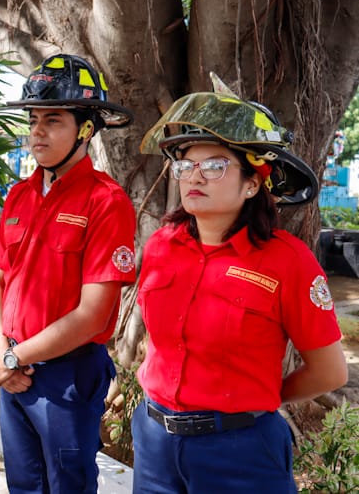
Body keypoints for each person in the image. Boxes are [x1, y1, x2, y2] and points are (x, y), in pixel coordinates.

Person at [133, 91, 349, 493]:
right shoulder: (162, 245)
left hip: (239, 451)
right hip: (155, 443)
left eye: (215, 166)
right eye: (185, 165)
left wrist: (256, 398)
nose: (195, 177)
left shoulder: (288, 261)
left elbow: (330, 371)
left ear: (252, 184)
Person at [0, 54, 137, 493]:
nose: (37, 131)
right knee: (23, 484)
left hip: (67, 378)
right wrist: (0, 352)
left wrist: (13, 359)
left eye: (53, 120)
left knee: (68, 485)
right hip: (13, 370)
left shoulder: (106, 202)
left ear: (86, 129)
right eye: (33, 119)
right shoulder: (19, 194)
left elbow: (93, 315)